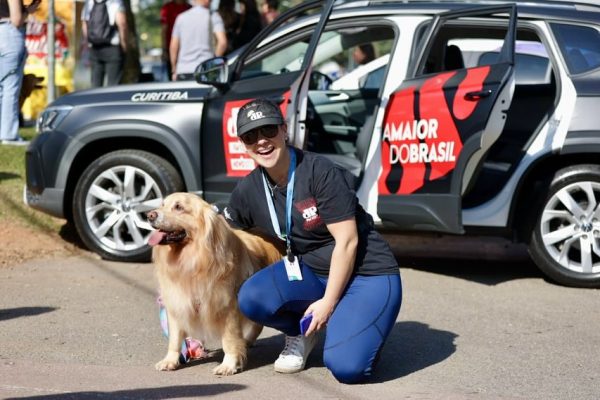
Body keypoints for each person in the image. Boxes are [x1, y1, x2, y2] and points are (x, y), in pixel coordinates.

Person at [224, 98, 402, 384]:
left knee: (347, 368)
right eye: (250, 136)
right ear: (243, 144)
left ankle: (355, 324)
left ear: (284, 130)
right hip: (312, 272)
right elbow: (219, 236)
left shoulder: (321, 172)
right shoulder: (249, 190)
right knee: (252, 297)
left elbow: (348, 243)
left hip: (366, 273)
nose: (261, 141)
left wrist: (328, 303)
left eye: (268, 130)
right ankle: (303, 332)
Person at [0, 0, 39, 145]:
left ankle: (2, 133)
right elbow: (16, 20)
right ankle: (9, 136)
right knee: (11, 88)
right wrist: (29, 10)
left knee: (1, 89)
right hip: (9, 35)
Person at [169, 0, 227, 81]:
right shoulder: (213, 16)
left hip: (183, 70)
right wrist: (213, 63)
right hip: (205, 69)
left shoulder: (181, 17)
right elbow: (222, 43)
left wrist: (174, 69)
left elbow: (173, 46)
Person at [81, 0, 128, 87]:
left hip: (94, 48)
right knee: (113, 84)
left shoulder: (89, 3)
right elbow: (122, 23)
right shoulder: (115, 2)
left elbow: (84, 24)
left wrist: (87, 43)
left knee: (96, 84)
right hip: (112, 47)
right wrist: (124, 43)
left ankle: (96, 100)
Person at [160, 0, 190, 81]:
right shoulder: (167, 8)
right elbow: (164, 30)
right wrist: (164, 49)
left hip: (187, 49)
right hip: (172, 49)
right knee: (173, 77)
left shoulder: (189, 7)